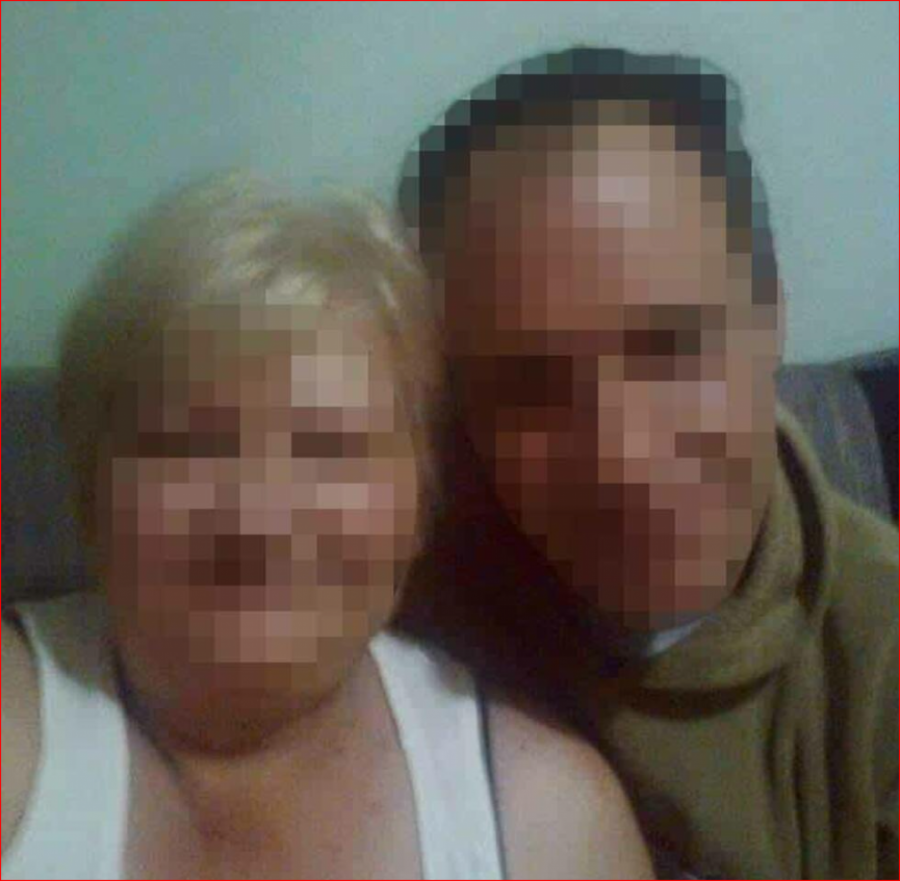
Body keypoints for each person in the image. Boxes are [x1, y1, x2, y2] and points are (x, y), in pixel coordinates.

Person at [1, 175, 654, 879]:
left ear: (421, 503)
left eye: (331, 449)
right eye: (187, 444)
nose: (258, 517)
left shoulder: (550, 822)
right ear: (90, 486)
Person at [396, 46, 899, 879]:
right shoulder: (395, 608)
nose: (623, 459)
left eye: (672, 346)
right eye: (529, 383)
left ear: (770, 309)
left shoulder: (878, 664)